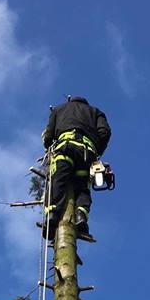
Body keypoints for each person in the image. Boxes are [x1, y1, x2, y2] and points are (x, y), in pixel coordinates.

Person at [40, 96, 111, 242]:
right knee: (83, 186)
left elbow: (48, 135)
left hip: (64, 148)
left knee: (57, 180)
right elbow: (105, 132)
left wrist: (48, 144)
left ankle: (52, 215)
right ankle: (81, 215)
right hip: (86, 153)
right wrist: (97, 151)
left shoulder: (59, 109)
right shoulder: (96, 112)